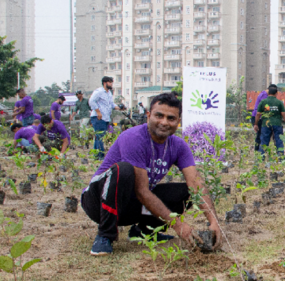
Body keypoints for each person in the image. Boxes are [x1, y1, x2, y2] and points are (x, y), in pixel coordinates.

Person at [82, 92, 222, 256]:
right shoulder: (133, 137)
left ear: (178, 122)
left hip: (129, 205)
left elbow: (195, 184)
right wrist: (178, 225)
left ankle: (143, 231)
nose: (164, 122)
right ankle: (105, 235)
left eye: (171, 118)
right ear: (148, 116)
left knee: (187, 192)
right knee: (124, 170)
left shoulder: (178, 146)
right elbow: (141, 191)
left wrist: (213, 221)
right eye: (159, 115)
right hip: (98, 202)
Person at [255, 84, 285, 156]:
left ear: (268, 93)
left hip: (266, 124)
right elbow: (284, 114)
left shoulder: (263, 102)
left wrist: (255, 124)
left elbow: (258, 114)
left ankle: (261, 158)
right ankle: (281, 158)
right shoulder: (279, 102)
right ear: (276, 93)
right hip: (277, 124)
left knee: (264, 142)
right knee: (279, 141)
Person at [90, 77, 116, 158]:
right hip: (98, 117)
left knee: (99, 137)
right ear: (105, 83)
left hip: (105, 118)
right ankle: (100, 155)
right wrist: (98, 112)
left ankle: (96, 155)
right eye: (110, 82)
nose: (111, 84)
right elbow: (91, 101)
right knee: (100, 137)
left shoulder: (109, 93)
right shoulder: (99, 92)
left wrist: (119, 107)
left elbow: (111, 104)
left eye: (111, 82)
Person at [250, 87, 270, 152]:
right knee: (260, 135)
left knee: (260, 134)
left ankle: (259, 151)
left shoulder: (262, 94)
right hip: (258, 117)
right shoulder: (264, 95)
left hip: (257, 116)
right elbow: (265, 107)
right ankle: (258, 151)